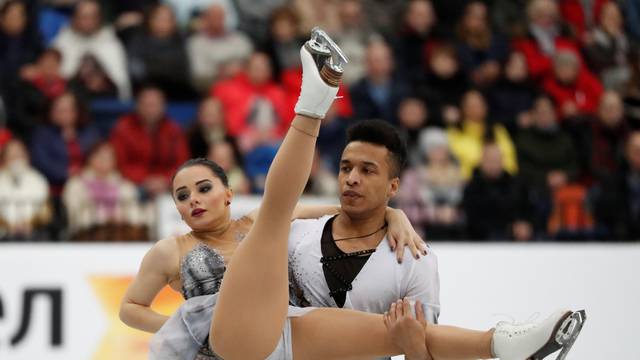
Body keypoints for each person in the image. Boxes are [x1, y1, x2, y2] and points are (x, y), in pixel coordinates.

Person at [136, 43, 585, 360]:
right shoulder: (183, 246)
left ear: (228, 194)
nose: (194, 200)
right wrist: (176, 325)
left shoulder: (405, 256)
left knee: (399, 332)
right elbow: (130, 308)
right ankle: (313, 102)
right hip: (234, 345)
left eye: (203, 188)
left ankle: (507, 345)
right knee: (274, 218)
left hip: (297, 339)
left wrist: (394, 213)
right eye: (182, 195)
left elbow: (417, 344)